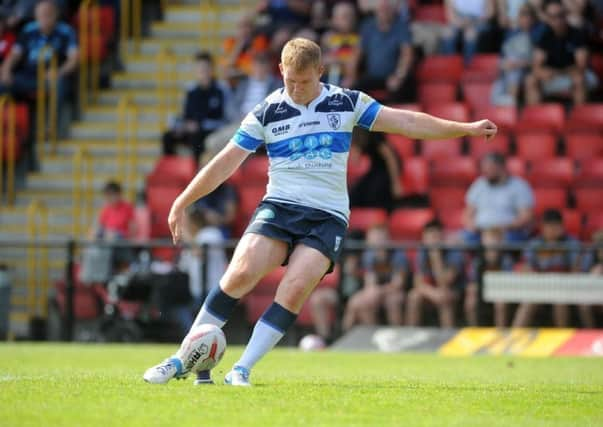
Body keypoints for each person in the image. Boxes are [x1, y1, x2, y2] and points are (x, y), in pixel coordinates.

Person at [143, 37, 497, 387]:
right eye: (290, 81)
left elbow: (408, 123)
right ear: (280, 70)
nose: (297, 89)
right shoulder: (267, 110)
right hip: (280, 207)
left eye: (305, 81)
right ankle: (179, 359)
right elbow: (225, 163)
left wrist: (464, 128)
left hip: (327, 215)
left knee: (295, 288)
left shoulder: (345, 102)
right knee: (240, 273)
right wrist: (182, 200)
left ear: (321, 72)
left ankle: (242, 369)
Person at [512, 209, 581, 327]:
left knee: (560, 302)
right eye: (549, 227)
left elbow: (576, 269)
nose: (552, 230)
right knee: (527, 303)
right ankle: (514, 336)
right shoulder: (535, 244)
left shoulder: (571, 244)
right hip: (540, 287)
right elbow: (525, 266)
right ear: (543, 227)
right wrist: (529, 271)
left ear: (562, 227)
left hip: (564, 287)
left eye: (556, 227)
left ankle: (562, 337)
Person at [204, 53, 280, 156]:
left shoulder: (276, 85)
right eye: (256, 65)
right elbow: (232, 106)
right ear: (252, 66)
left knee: (225, 145)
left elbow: (277, 109)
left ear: (268, 67)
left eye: (262, 65)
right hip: (240, 123)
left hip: (261, 126)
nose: (259, 69)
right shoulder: (244, 84)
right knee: (211, 143)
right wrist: (240, 118)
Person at [524, 0, 598, 105]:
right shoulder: (544, 37)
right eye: (553, 16)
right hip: (555, 76)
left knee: (579, 79)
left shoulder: (577, 34)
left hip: (577, 75)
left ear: (566, 14)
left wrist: (555, 72)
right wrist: (545, 72)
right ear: (547, 18)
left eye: (560, 15)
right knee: (530, 80)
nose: (558, 20)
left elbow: (581, 66)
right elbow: (536, 67)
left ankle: (580, 118)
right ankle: (536, 118)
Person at [161, 52, 230, 162]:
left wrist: (200, 125)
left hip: (212, 130)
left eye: (205, 68)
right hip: (192, 129)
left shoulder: (221, 89)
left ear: (212, 69)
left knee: (197, 137)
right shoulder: (191, 90)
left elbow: (226, 117)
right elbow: (186, 115)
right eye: (199, 69)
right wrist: (183, 126)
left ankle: (197, 173)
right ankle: (171, 171)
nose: (202, 72)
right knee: (168, 137)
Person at [342, 224, 409, 330]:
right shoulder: (369, 255)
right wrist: (372, 292)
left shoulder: (398, 254)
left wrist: (378, 291)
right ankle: (346, 336)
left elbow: (398, 284)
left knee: (393, 301)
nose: (377, 241)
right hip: (378, 291)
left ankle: (397, 334)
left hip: (394, 291)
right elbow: (370, 281)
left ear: (387, 239)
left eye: (380, 238)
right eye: (373, 238)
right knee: (356, 301)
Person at [406, 219, 466, 328]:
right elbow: (417, 283)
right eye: (429, 237)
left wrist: (436, 257)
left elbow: (445, 282)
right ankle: (411, 332)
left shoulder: (454, 253)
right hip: (432, 291)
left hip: (453, 290)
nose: (433, 240)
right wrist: (433, 293)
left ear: (442, 237)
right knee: (413, 296)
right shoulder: (422, 253)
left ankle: (447, 335)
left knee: (445, 298)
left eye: (436, 236)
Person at [463, 152, 534, 244]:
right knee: (463, 239)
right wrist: (473, 226)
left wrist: (502, 228)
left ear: (501, 167)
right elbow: (467, 214)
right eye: (484, 169)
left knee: (511, 239)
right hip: (480, 232)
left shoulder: (519, 186)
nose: (485, 172)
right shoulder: (479, 184)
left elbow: (526, 216)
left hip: (508, 232)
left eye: (490, 168)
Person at [176, 207, 227, 332]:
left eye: (186, 222)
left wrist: (187, 237)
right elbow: (183, 266)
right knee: (178, 309)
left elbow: (200, 253)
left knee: (204, 325)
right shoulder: (194, 239)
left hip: (213, 289)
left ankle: (194, 338)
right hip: (197, 290)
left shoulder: (211, 233)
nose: (184, 226)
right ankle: (195, 338)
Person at [355, 0, 415, 102]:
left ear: (393, 11)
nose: (384, 13)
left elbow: (407, 54)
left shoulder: (401, 27)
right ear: (376, 12)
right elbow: (357, 53)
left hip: (394, 75)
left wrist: (398, 76)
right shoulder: (368, 26)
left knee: (400, 91)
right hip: (372, 76)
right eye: (381, 10)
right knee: (354, 89)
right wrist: (351, 75)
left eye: (387, 10)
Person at [464, 227, 516, 327]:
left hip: (501, 291)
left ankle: (500, 333)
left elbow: (509, 282)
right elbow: (472, 283)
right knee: (470, 303)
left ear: (500, 241)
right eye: (488, 238)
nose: (492, 242)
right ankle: (474, 331)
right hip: (481, 291)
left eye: (495, 239)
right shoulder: (477, 260)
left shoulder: (506, 259)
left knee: (500, 303)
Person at [491, 4, 536, 106]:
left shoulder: (539, 34)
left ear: (533, 18)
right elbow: (502, 57)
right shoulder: (511, 35)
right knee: (496, 86)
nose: (526, 18)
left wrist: (518, 64)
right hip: (508, 71)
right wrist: (504, 64)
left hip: (528, 70)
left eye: (529, 15)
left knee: (514, 70)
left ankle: (512, 103)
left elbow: (537, 59)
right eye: (523, 15)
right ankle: (507, 105)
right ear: (518, 18)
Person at [349, 130, 401, 210]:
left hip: (385, 172)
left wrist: (395, 182)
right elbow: (355, 158)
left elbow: (390, 157)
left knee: (372, 196)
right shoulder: (357, 134)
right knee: (354, 196)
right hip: (373, 171)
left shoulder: (373, 132)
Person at [321, 1, 360, 87]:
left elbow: (353, 62)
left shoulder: (356, 39)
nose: (349, 20)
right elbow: (321, 61)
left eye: (351, 16)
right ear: (334, 19)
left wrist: (335, 59)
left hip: (345, 78)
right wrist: (341, 59)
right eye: (344, 17)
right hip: (325, 77)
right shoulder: (328, 38)